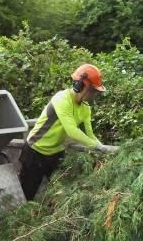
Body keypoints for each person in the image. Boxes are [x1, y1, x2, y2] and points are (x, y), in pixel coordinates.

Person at [18, 64, 118, 200]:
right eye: (92, 90)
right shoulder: (61, 99)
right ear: (80, 85)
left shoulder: (85, 108)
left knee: (62, 192)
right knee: (26, 195)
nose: (93, 95)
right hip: (36, 151)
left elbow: (90, 134)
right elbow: (72, 131)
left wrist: (100, 145)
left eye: (96, 92)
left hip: (56, 152)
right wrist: (95, 145)